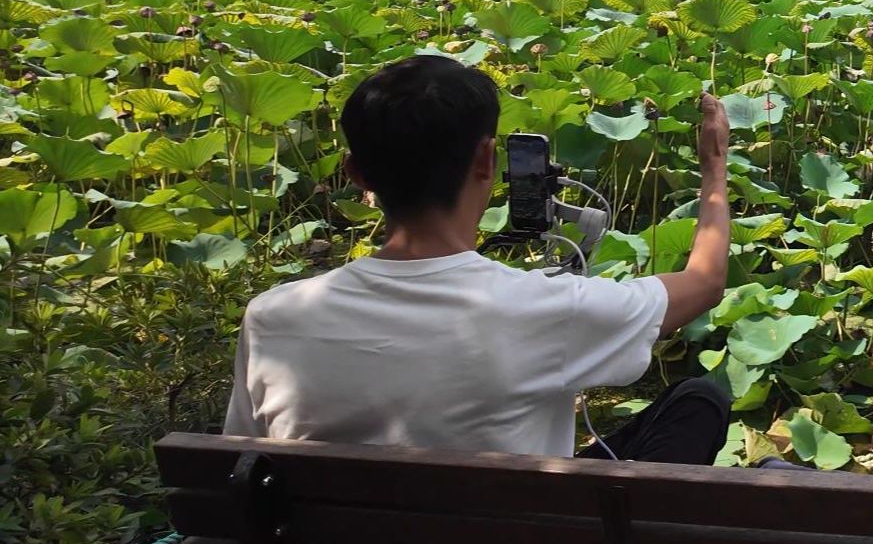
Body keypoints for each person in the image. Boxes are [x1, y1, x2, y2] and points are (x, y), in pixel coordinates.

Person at [222, 54, 735, 464]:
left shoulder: (273, 317)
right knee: (697, 402)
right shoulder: (545, 308)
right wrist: (714, 168)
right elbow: (705, 280)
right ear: (488, 161)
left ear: (357, 174)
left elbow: (239, 462)